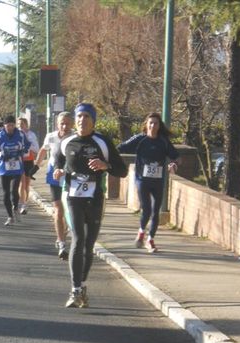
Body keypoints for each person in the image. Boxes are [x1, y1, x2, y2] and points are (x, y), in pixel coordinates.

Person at [54, 103, 128, 308]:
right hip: (72, 197)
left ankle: (82, 284)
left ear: (93, 120)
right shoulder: (67, 141)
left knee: (89, 245)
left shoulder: (102, 142)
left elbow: (122, 171)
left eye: (86, 116)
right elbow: (58, 161)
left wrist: (106, 166)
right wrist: (58, 171)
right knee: (78, 239)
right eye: (79, 116)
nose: (81, 120)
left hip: (95, 198)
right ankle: (75, 289)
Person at [117, 112, 180, 253]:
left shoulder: (163, 141)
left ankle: (150, 240)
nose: (152, 125)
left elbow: (175, 156)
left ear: (159, 126)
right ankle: (141, 232)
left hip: (158, 181)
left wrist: (174, 164)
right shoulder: (140, 139)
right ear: (146, 124)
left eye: (155, 123)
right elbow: (121, 148)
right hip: (142, 180)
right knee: (146, 209)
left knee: (155, 211)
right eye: (150, 123)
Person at [33, 111, 74, 259]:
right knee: (58, 210)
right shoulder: (51, 136)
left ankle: (62, 232)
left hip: (70, 177)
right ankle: (62, 243)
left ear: (72, 124)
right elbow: (44, 150)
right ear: (57, 124)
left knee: (67, 211)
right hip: (54, 175)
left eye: (67, 123)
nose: (64, 126)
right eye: (62, 123)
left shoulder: (75, 137)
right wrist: (36, 166)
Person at [0, 115, 30, 225]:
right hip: (4, 168)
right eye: (7, 125)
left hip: (17, 166)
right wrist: (0, 155)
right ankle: (10, 216)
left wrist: (21, 152)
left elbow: (27, 146)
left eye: (11, 125)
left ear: (14, 125)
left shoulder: (20, 134)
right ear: (4, 125)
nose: (10, 127)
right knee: (6, 193)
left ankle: (15, 208)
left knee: (14, 190)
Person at [17, 117, 39, 215]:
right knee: (22, 183)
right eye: (18, 124)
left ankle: (25, 202)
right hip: (19, 161)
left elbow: (36, 148)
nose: (20, 126)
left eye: (22, 124)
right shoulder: (16, 134)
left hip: (29, 161)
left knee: (26, 183)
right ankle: (22, 203)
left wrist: (28, 146)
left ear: (26, 124)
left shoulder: (31, 134)